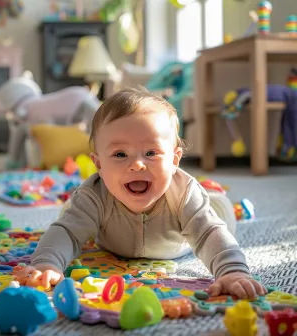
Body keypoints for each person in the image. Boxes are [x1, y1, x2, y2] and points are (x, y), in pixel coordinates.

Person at [25, 87, 266, 299]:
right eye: (120, 155)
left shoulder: (183, 194)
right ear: (99, 165)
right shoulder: (94, 194)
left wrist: (232, 271)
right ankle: (77, 214)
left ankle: (215, 195)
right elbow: (65, 233)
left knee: (221, 216)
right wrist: (47, 264)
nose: (137, 165)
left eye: (151, 153)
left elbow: (209, 234)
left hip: (185, 234)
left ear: (174, 160)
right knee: (70, 217)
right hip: (106, 232)